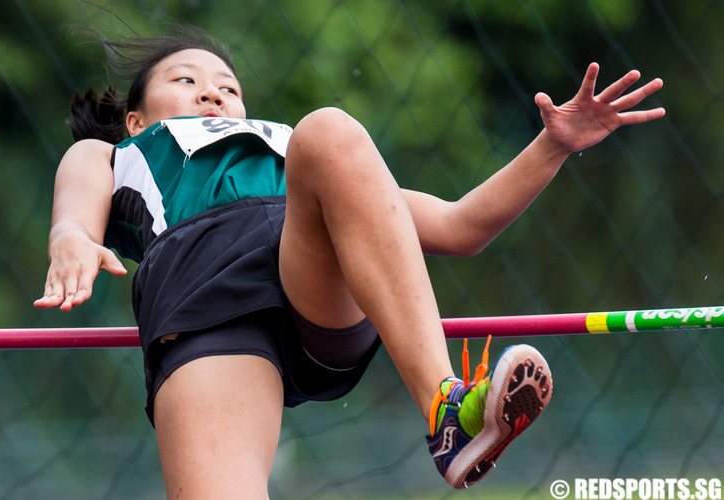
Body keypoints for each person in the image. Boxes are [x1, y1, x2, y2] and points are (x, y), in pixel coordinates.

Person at [34, 24, 664, 497]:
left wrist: (552, 147)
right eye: (187, 81)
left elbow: (460, 224)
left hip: (312, 280)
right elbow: (73, 209)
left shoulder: (296, 154)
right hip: (206, 306)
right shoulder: (122, 153)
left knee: (329, 128)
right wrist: (71, 241)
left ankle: (448, 412)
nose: (213, 93)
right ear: (138, 116)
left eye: (228, 87)